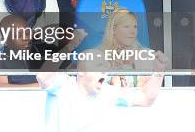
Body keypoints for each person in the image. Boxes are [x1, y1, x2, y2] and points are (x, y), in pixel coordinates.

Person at [37, 50, 166, 132]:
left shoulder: (107, 92)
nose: (104, 71)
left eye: (105, 68)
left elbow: (146, 98)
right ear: (81, 70)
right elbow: (42, 76)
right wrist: (69, 46)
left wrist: (159, 71)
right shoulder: (64, 85)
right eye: (99, 66)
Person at [81, 8, 153, 87]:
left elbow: (148, 92)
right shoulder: (94, 55)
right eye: (126, 26)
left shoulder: (145, 55)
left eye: (135, 27)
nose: (133, 31)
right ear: (113, 29)